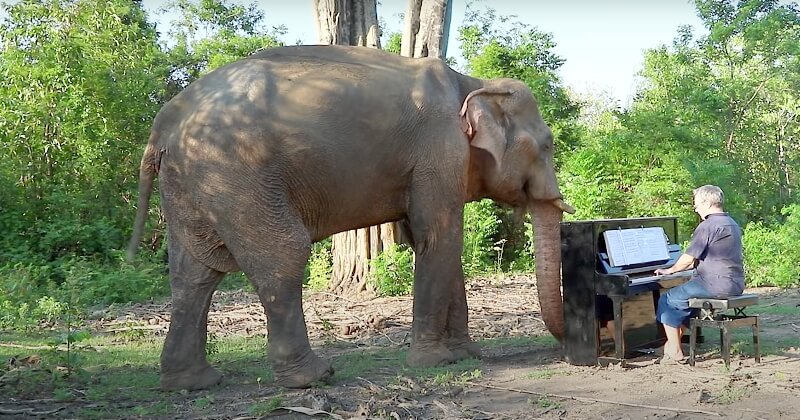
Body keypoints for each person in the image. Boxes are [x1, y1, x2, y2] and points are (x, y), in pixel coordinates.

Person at [654, 185, 745, 362]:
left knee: (668, 299)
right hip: (735, 283)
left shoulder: (708, 225)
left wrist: (669, 270)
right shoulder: (731, 223)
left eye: (696, 205)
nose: (696, 209)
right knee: (684, 299)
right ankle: (671, 344)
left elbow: (688, 259)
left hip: (714, 284)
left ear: (706, 202)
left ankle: (674, 350)